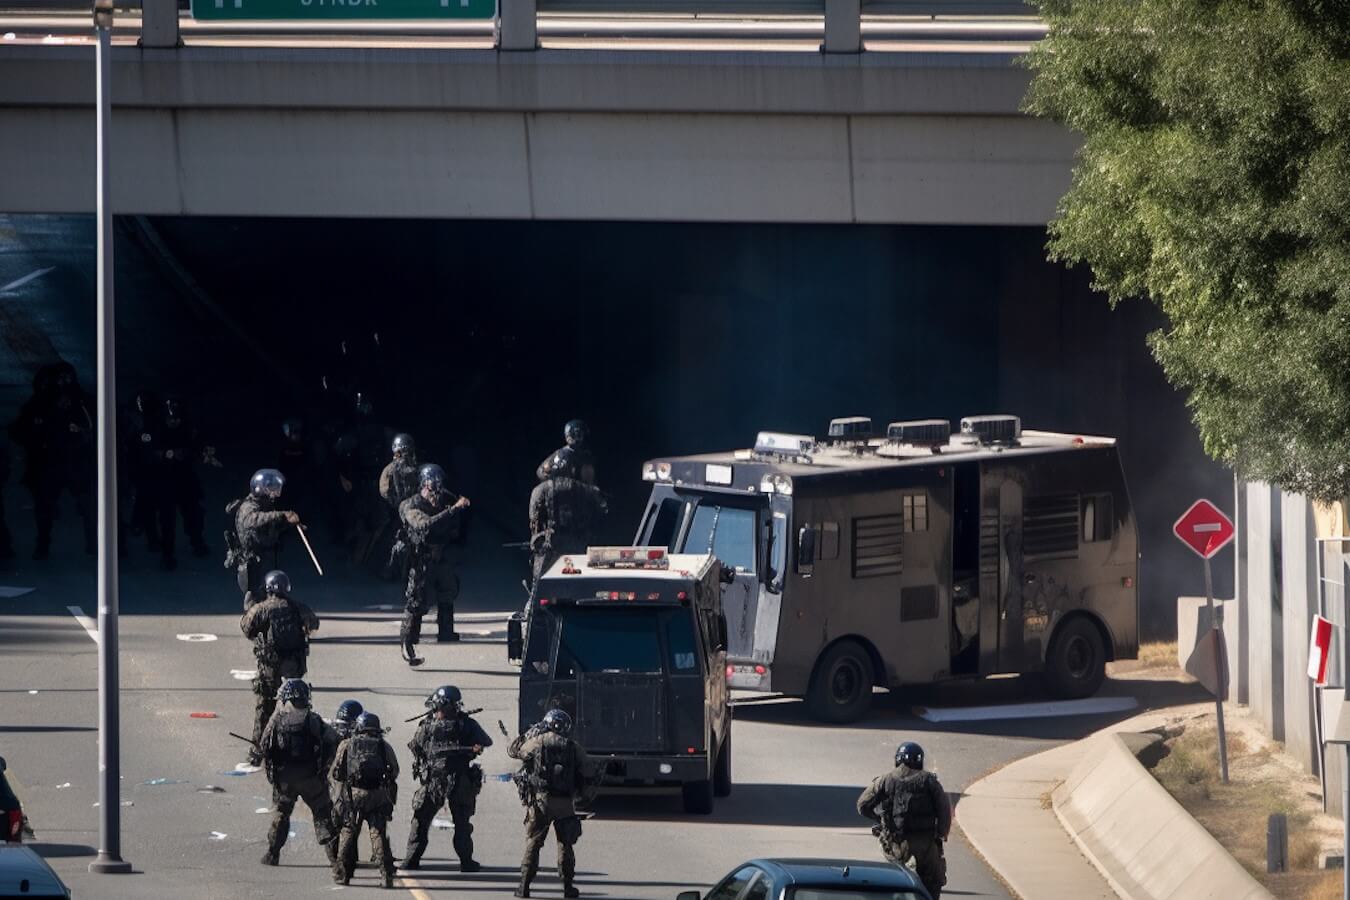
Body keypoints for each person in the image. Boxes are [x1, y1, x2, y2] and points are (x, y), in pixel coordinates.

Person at [9, 362, 96, 559]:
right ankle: (43, 544)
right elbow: (20, 430)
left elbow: (95, 425)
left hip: (75, 462)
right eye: (59, 379)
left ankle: (93, 542)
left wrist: (83, 435)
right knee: (46, 506)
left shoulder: (80, 402)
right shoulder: (39, 403)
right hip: (50, 463)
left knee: (86, 504)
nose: (62, 384)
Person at [402, 685, 492, 873]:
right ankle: (466, 862)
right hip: (459, 781)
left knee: (421, 820)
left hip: (435, 780)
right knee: (461, 823)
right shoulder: (467, 724)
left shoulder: (427, 725)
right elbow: (486, 741)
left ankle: (411, 860)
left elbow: (416, 747)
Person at [240, 570, 320, 766]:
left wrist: (248, 607)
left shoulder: (262, 609)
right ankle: (303, 749)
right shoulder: (297, 607)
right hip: (294, 667)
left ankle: (257, 751)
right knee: (299, 707)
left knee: (264, 707)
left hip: (270, 668)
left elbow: (247, 628)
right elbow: (314, 625)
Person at [507, 708, 590, 899]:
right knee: (565, 845)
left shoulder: (537, 742)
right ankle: (568, 888)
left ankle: (524, 886)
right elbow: (588, 770)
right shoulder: (573, 747)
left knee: (534, 842)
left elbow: (516, 752)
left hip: (541, 801)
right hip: (565, 803)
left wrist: (529, 733)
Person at [258, 678, 340, 868]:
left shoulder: (276, 722)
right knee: (323, 814)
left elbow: (264, 746)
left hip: (285, 780)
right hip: (311, 778)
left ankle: (273, 854)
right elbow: (333, 740)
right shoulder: (313, 720)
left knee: (282, 814)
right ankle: (336, 859)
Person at [856, 741, 951, 900]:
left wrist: (881, 820)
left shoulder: (885, 780)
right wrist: (940, 835)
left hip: (895, 845)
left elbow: (862, 805)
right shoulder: (930, 781)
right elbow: (944, 811)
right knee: (933, 882)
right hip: (926, 846)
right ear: (919, 760)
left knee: (892, 884)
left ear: (898, 759)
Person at [398, 464, 469, 665]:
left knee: (448, 589)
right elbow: (424, 524)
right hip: (420, 559)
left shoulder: (443, 501)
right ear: (425, 486)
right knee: (416, 601)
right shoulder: (411, 505)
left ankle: (446, 631)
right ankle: (408, 644)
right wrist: (452, 510)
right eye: (433, 489)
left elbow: (452, 528)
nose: (436, 495)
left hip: (440, 555)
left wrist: (455, 512)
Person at [331, 711, 399, 888]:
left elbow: (337, 772)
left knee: (348, 832)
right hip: (377, 794)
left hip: (354, 795)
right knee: (377, 833)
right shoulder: (383, 746)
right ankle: (386, 875)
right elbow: (394, 770)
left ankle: (342, 875)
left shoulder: (346, 744)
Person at [528, 447, 607, 591]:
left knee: (540, 587)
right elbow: (602, 514)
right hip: (579, 544)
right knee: (581, 586)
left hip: (550, 544)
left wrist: (537, 542)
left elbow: (535, 520)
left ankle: (536, 609)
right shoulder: (588, 491)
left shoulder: (540, 490)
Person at [150, 397, 210, 570]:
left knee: (193, 513)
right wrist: (165, 454)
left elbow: (197, 448)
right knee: (167, 519)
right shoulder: (157, 430)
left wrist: (185, 453)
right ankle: (167, 554)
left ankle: (196, 542)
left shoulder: (188, 430)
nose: (173, 422)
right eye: (170, 419)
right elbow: (147, 452)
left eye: (176, 418)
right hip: (165, 481)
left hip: (185, 479)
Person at [225, 469, 301, 606]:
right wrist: (280, 515)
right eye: (271, 489)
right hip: (253, 559)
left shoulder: (265, 505)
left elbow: (269, 526)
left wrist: (287, 523)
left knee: (270, 591)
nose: (275, 493)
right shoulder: (248, 507)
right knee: (254, 595)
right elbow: (253, 521)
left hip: (266, 555)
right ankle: (252, 619)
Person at [378, 433, 419, 580]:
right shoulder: (390, 469)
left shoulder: (415, 468)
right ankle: (389, 569)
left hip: (413, 509)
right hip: (395, 511)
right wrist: (394, 502)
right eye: (401, 452)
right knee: (393, 541)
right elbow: (384, 489)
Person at [535, 419, 596, 486]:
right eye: (578, 434)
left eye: (582, 434)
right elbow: (546, 473)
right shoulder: (565, 454)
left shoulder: (584, 455)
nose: (582, 438)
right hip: (560, 490)